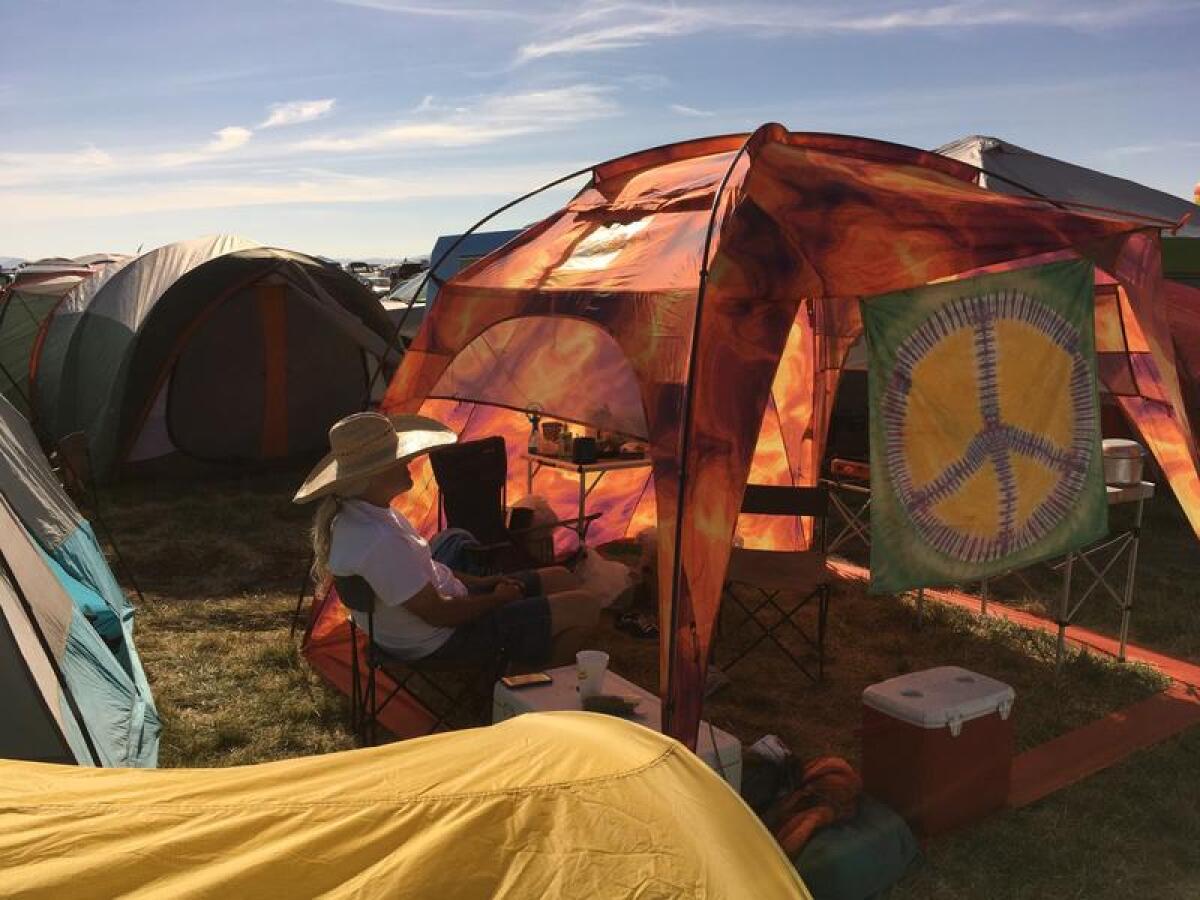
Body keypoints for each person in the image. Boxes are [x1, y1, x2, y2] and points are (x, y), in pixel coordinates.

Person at [294, 412, 601, 668]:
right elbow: (440, 613)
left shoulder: (360, 515)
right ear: (374, 475)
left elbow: (428, 570)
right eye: (398, 459)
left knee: (560, 577)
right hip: (445, 642)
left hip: (433, 622)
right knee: (585, 606)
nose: (409, 463)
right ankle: (536, 695)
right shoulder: (377, 541)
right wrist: (497, 599)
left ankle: (533, 656)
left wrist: (485, 584)